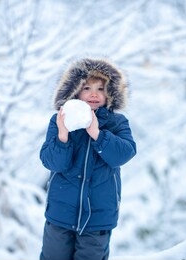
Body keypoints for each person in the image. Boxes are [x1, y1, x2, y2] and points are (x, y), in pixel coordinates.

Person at [39, 58, 137, 260]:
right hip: (60, 214)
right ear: (75, 90)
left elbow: (124, 153)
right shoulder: (58, 120)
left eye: (101, 88)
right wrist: (63, 135)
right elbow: (52, 162)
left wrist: (98, 134)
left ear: (110, 93)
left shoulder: (117, 123)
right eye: (87, 87)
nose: (94, 94)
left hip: (98, 218)